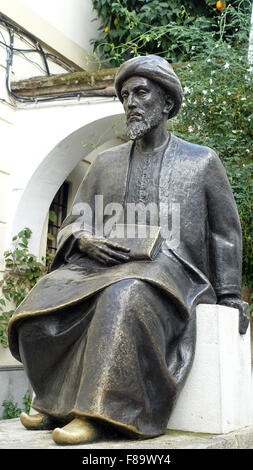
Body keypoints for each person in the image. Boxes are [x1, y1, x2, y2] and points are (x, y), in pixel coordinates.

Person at [8, 55, 249, 445]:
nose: (131, 103)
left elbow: (225, 233)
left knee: (125, 294)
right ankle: (55, 403)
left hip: (174, 271)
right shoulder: (105, 162)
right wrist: (83, 239)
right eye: (124, 96)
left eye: (141, 93)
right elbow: (76, 220)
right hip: (103, 265)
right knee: (42, 302)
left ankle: (97, 413)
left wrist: (229, 294)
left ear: (167, 103)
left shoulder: (201, 161)